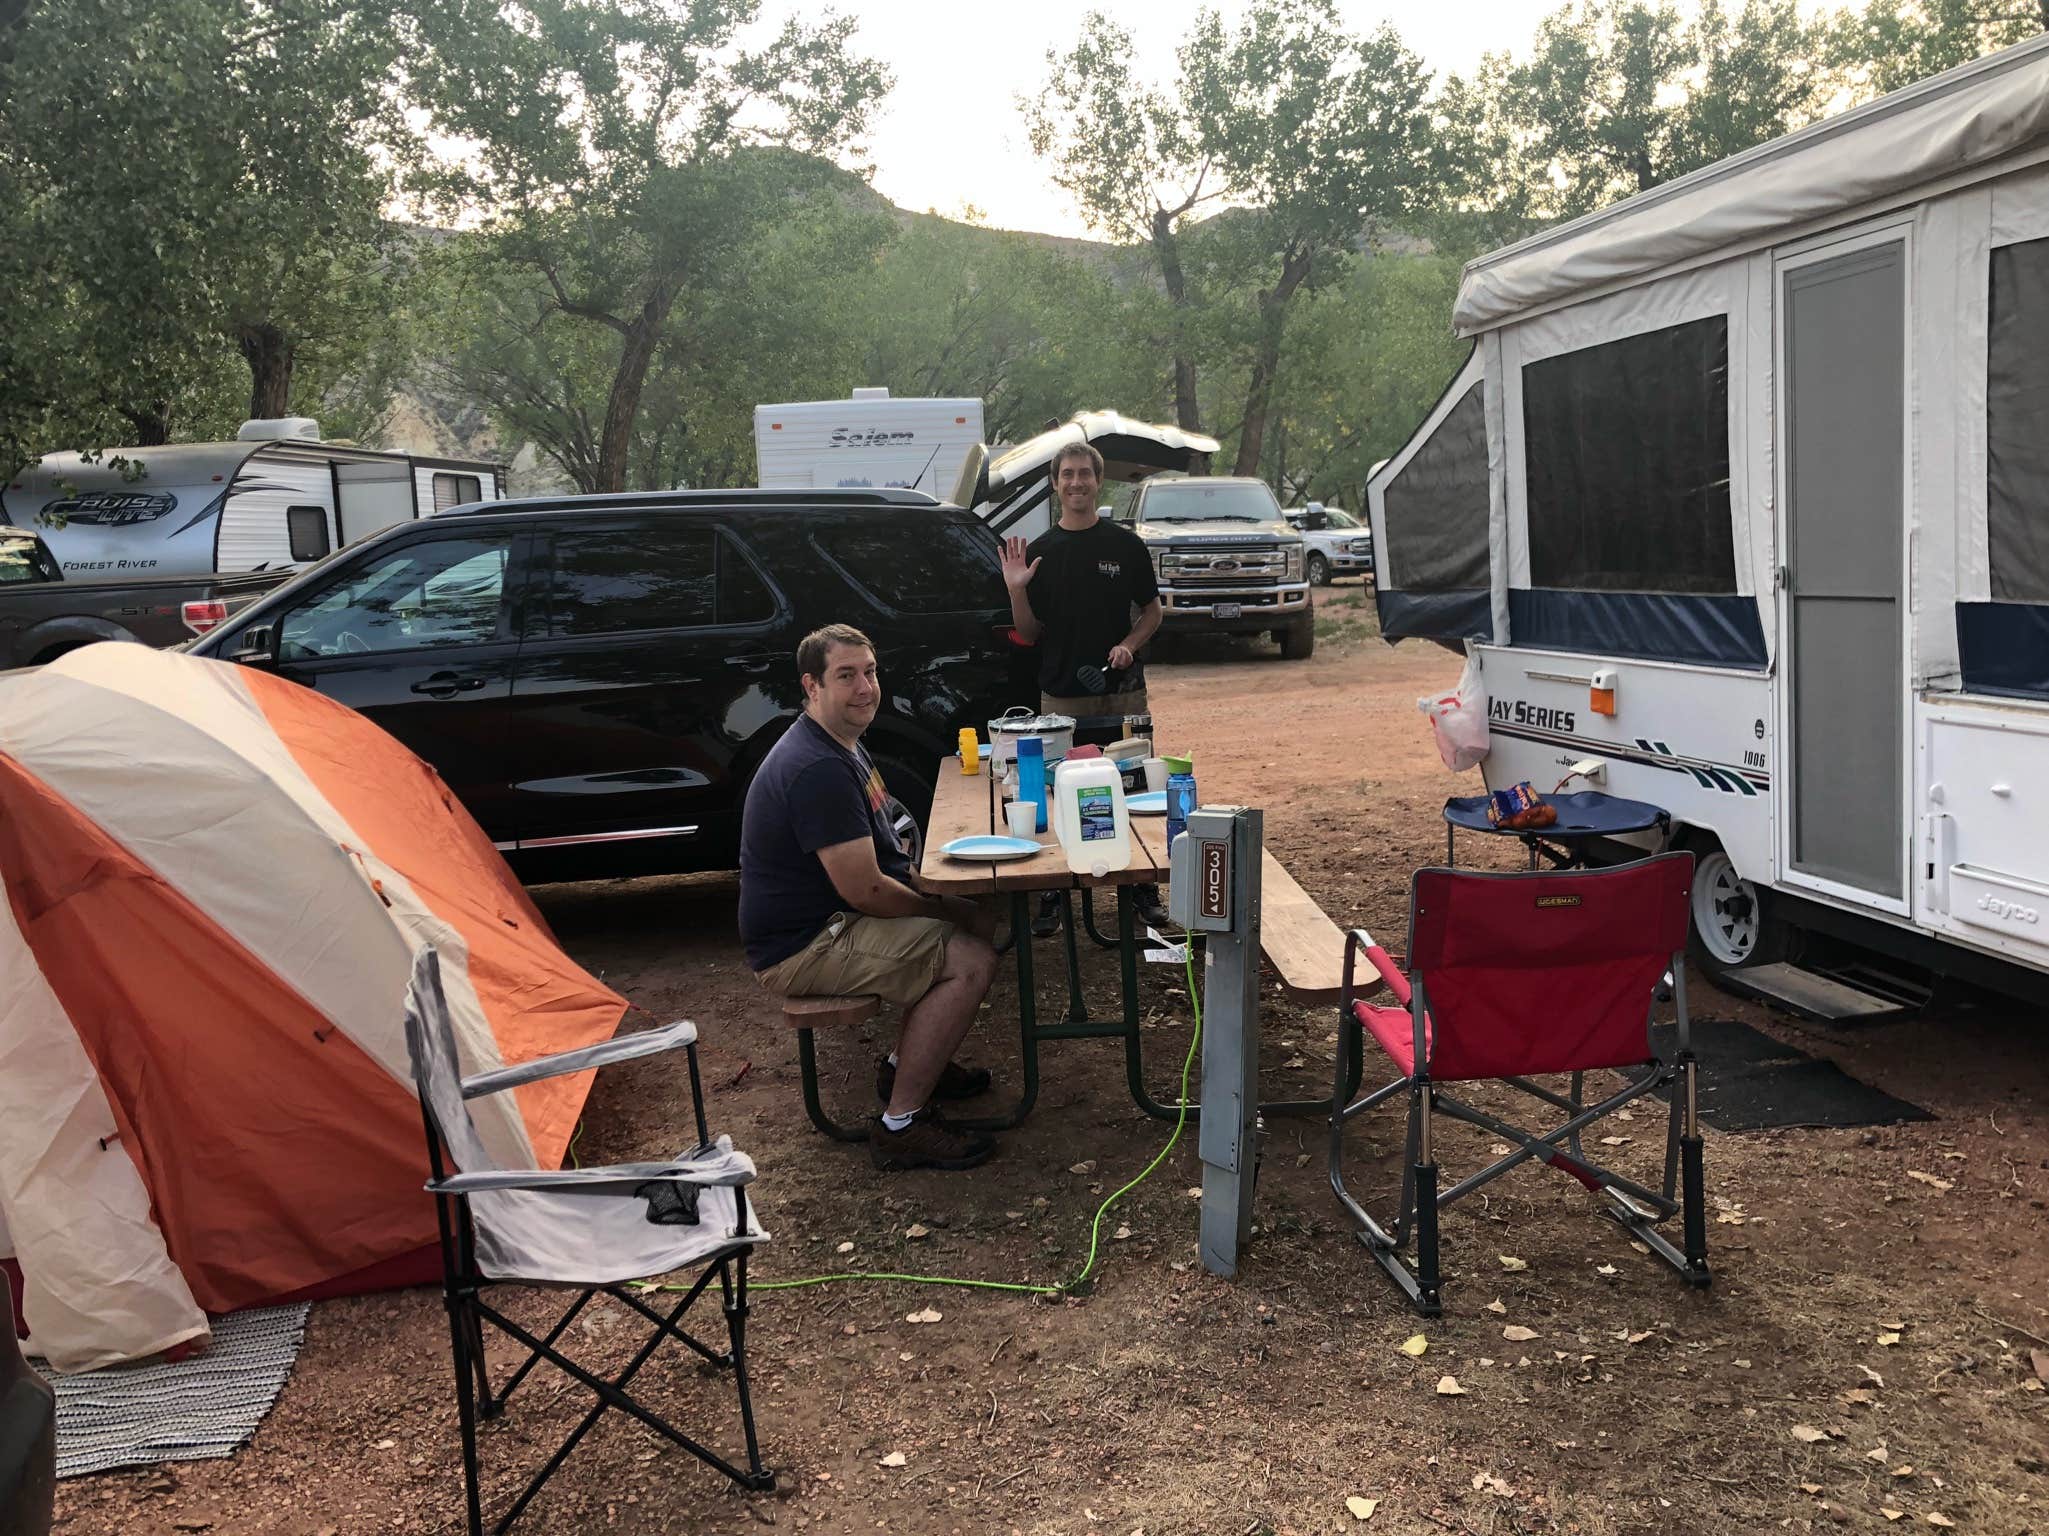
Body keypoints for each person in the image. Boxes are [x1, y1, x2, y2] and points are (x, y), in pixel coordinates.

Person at [740, 624, 1002, 1172]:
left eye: (870, 672)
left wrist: (945, 898)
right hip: (805, 944)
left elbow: (885, 857)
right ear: (811, 686)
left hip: (834, 919)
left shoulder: (838, 742)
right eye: (846, 676)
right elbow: (866, 889)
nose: (865, 688)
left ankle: (908, 1066)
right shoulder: (817, 769)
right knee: (970, 959)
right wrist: (938, 907)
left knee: (978, 921)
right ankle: (901, 1125)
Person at [1001, 440, 1169, 936]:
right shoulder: (1040, 552)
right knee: (1057, 793)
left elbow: (1153, 612)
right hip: (1060, 697)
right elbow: (1028, 633)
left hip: (1122, 693)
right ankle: (1054, 889)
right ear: (1055, 484)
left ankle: (1143, 888)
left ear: (1098, 481)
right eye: (1067, 474)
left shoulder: (1125, 545)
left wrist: (1129, 645)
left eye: (1084, 473)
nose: (1076, 482)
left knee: (1133, 789)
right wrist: (1015, 589)